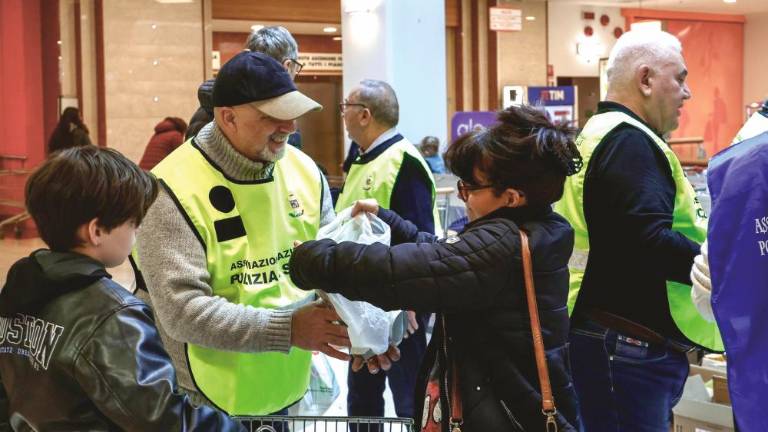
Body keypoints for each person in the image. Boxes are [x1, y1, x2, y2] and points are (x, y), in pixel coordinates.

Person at [290, 105, 583, 431]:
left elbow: (403, 272)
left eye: (469, 188)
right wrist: (390, 221)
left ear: (512, 197)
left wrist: (312, 259)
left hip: (503, 413)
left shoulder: (501, 245)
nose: (464, 199)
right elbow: (447, 255)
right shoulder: (536, 228)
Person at [133, 51, 350, 417]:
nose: (290, 127)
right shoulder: (170, 190)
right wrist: (289, 329)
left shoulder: (304, 172)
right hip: (203, 403)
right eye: (273, 117)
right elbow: (182, 311)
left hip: (287, 387)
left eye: (292, 114)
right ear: (227, 117)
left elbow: (330, 264)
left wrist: (365, 324)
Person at [0, 146, 243, 431]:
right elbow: (163, 417)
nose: (137, 231)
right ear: (97, 231)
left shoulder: (17, 292)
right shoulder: (113, 315)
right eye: (132, 222)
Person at [554, 29, 723, 431]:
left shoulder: (599, 134)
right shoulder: (629, 142)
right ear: (645, 80)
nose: (688, 93)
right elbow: (644, 241)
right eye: (679, 79)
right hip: (626, 348)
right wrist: (717, 267)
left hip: (606, 339)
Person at [336, 79, 439, 427]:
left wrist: (411, 300)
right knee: (362, 396)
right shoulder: (362, 159)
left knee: (409, 396)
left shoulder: (404, 162)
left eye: (345, 107)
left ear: (364, 115)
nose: (343, 116)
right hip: (363, 302)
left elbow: (420, 236)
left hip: (400, 305)